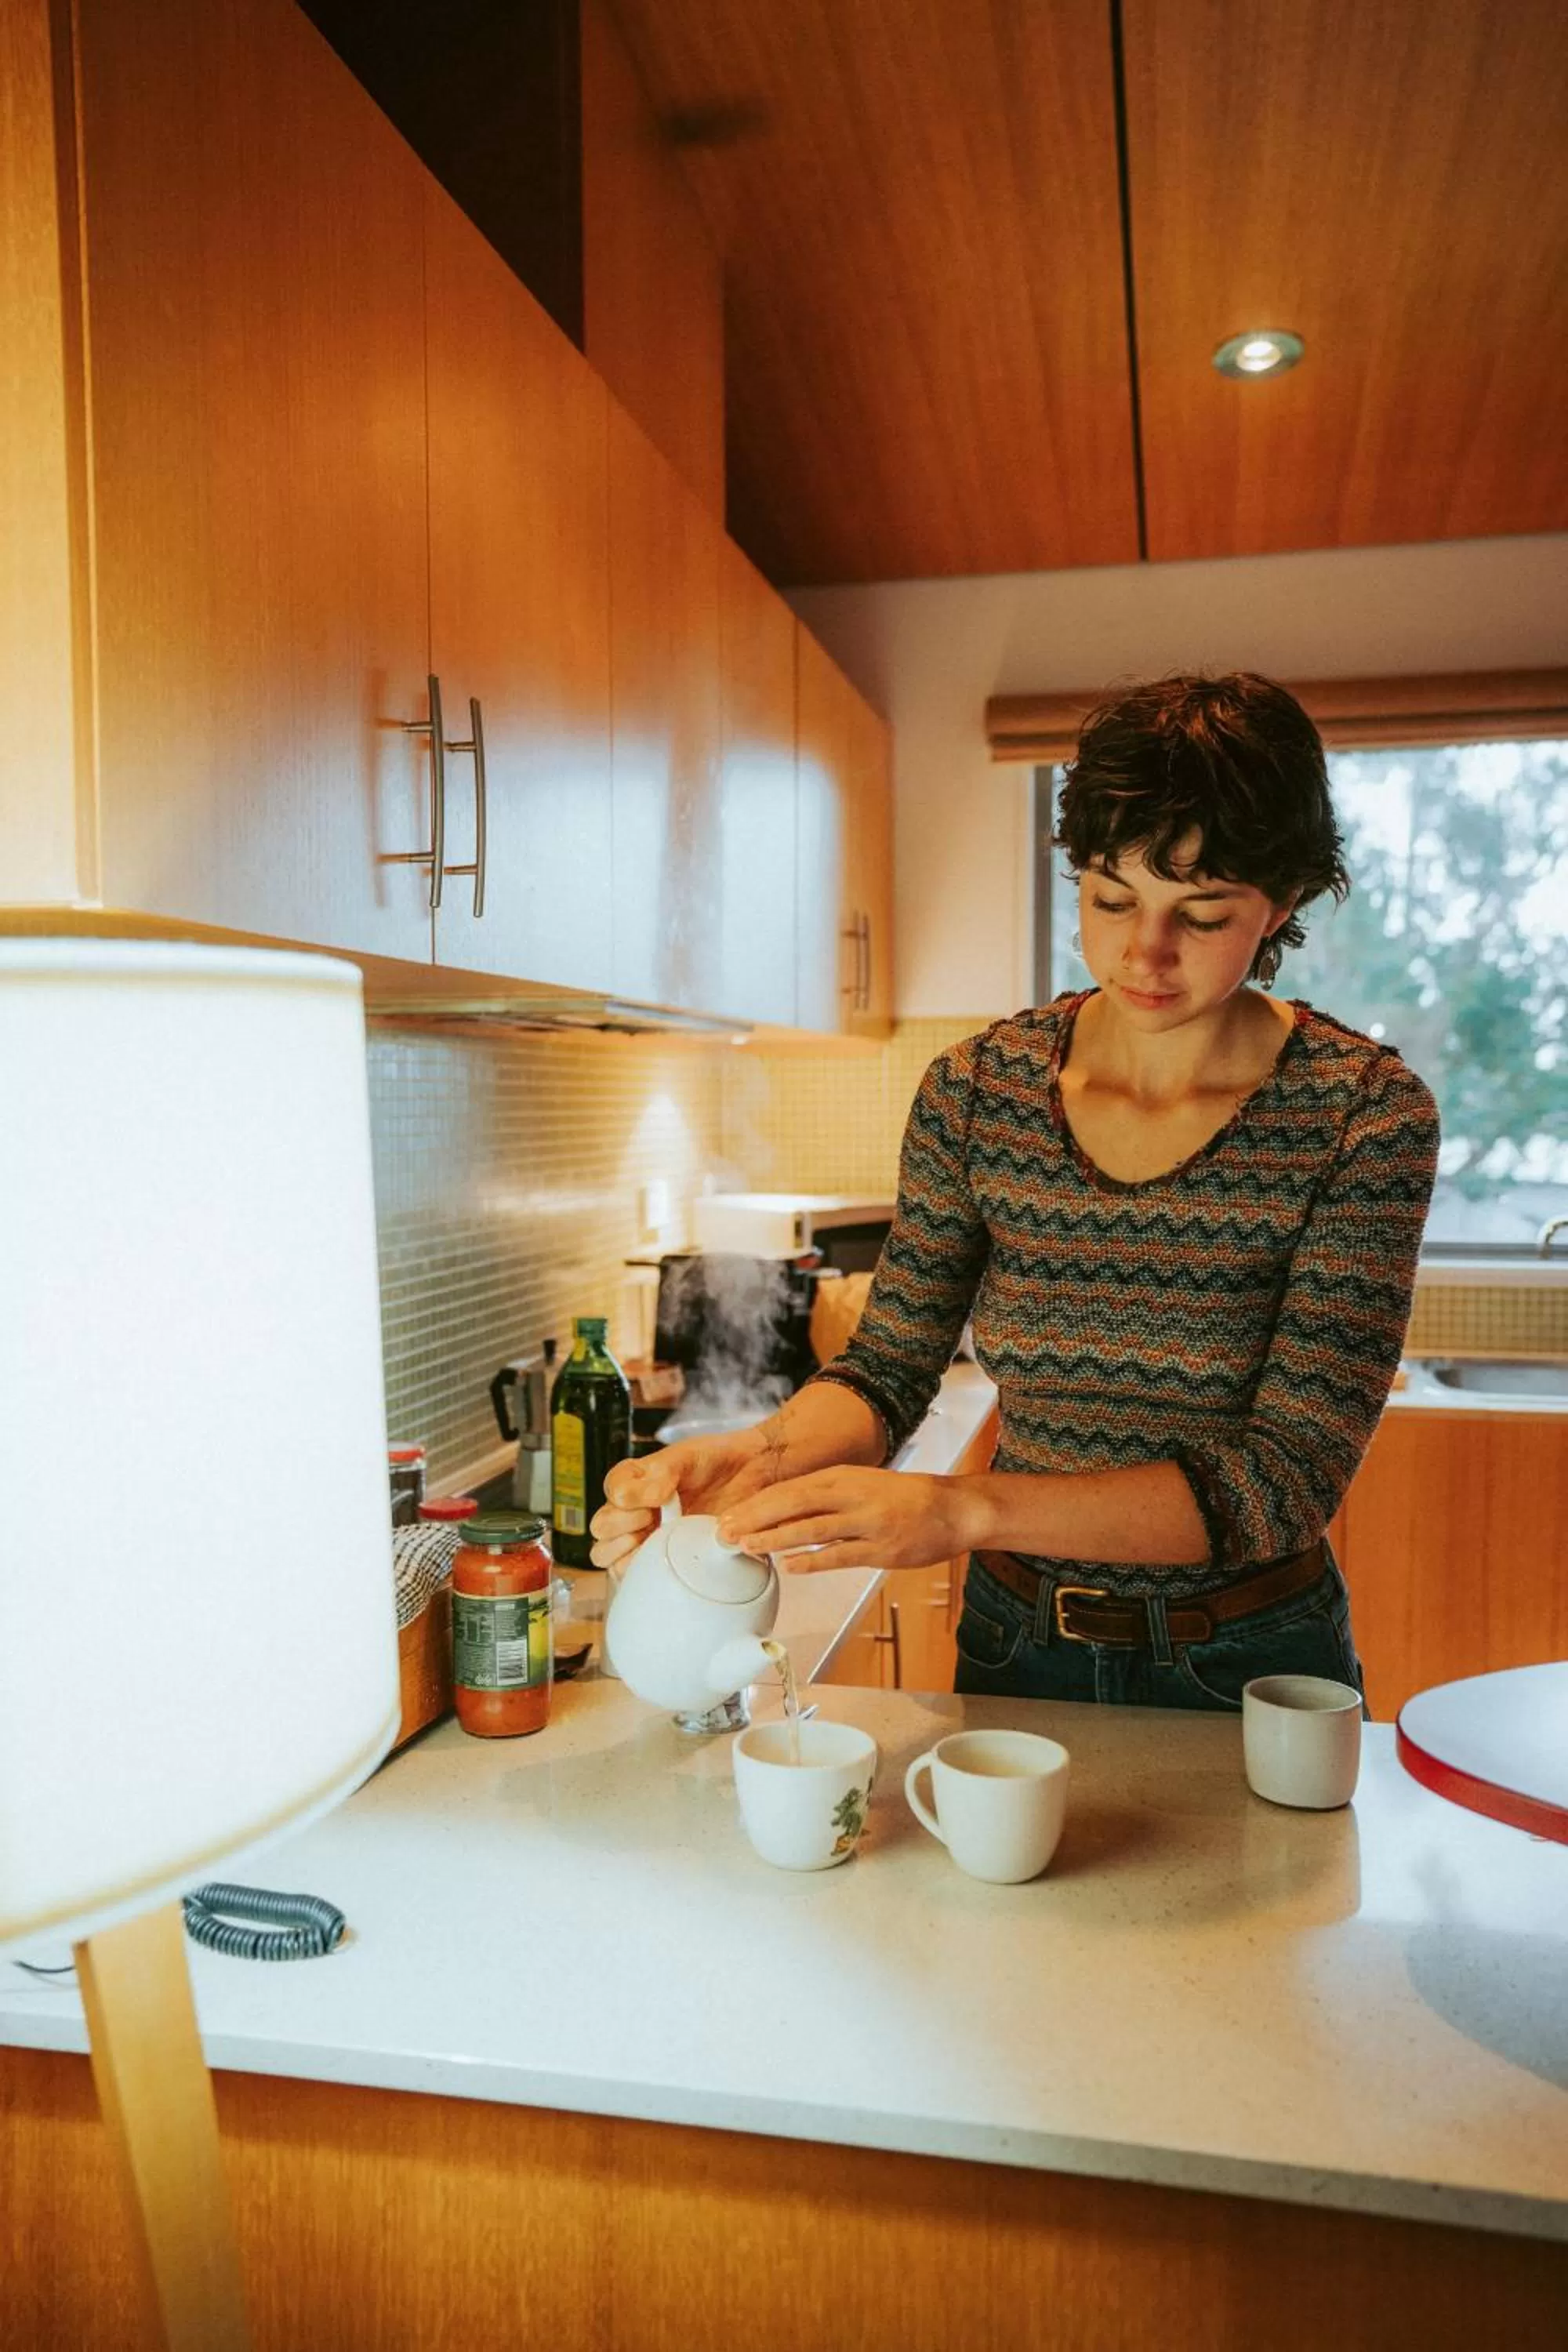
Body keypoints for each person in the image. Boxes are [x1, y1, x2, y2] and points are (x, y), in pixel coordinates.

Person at [590, 673, 1440, 1711]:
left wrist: (963, 1511)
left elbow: (1284, 1479)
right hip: (1017, 1647)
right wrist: (761, 1457)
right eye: (1110, 898)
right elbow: (892, 1366)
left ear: (1284, 902)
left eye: (1202, 913)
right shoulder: (980, 1091)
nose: (1147, 951)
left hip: (1252, 1663)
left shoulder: (1363, 1117)